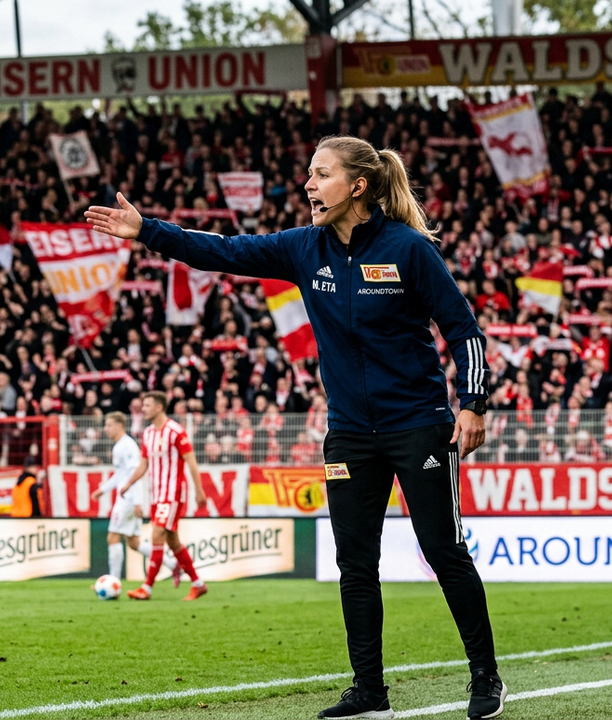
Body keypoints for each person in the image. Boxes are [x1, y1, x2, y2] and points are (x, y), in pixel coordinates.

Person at [86, 136, 504, 719]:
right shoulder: (303, 248)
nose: (308, 184)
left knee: (442, 551)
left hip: (419, 425)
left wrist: (473, 403)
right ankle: (369, 693)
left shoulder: (408, 250)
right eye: (308, 174)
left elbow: (464, 328)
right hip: (351, 432)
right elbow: (224, 251)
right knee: (355, 563)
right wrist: (148, 230)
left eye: (321, 174)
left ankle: (485, 676)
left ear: (357, 186)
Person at [118, 392, 207, 601]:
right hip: (157, 495)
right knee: (173, 541)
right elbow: (143, 464)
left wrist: (199, 489)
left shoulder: (176, 431)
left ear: (159, 407)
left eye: (147, 405)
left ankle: (147, 588)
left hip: (173, 493)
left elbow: (191, 461)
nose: (143, 409)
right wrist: (129, 484)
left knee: (157, 534)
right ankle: (198, 583)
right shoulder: (147, 433)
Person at [90, 411, 179, 582]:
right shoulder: (120, 446)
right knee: (134, 542)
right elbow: (120, 475)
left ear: (119, 426)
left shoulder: (127, 446)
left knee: (113, 537)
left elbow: (135, 474)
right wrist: (103, 489)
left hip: (128, 500)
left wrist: (137, 501)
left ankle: (113, 581)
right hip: (128, 498)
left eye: (109, 425)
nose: (105, 429)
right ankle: (172, 563)